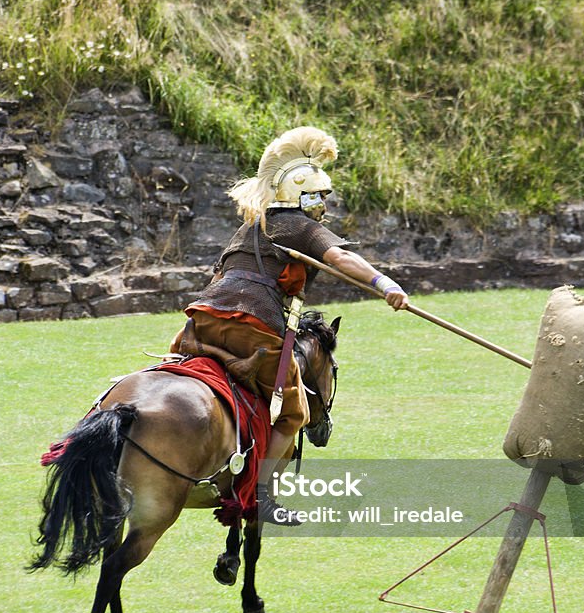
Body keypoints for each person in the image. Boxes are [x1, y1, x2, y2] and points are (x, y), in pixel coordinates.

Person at [171, 126, 408, 523]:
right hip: (254, 330)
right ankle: (260, 495)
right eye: (320, 197)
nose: (324, 205)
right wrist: (386, 285)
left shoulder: (248, 228)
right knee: (293, 413)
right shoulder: (300, 227)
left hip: (201, 324)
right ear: (305, 196)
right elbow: (341, 259)